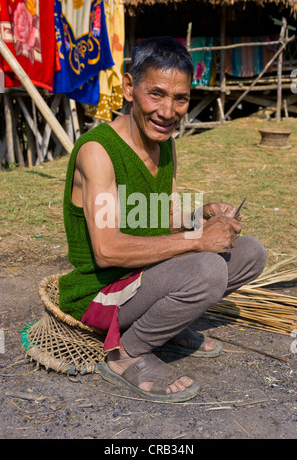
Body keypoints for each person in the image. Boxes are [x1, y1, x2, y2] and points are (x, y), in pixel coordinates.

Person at [59, 36, 267, 402]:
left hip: (143, 279)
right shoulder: (98, 151)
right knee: (208, 269)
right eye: (156, 94)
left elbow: (162, 217)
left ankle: (165, 329)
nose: (168, 111)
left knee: (250, 252)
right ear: (128, 88)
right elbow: (107, 251)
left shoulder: (164, 142)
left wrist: (200, 215)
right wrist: (199, 239)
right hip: (100, 292)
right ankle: (127, 353)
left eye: (180, 98)